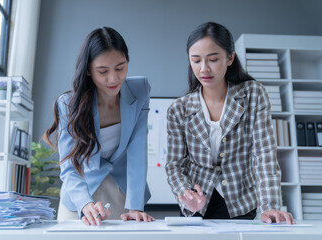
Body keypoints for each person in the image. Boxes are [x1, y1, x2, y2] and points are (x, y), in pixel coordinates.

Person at [165, 22, 295, 224]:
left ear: (230, 58)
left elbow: (264, 154)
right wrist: (186, 195)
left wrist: (270, 205)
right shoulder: (178, 109)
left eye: (213, 59)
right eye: (196, 60)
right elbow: (175, 166)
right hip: (197, 208)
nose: (204, 68)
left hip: (240, 203)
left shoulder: (253, 94)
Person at [43, 27, 154, 226]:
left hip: (124, 193)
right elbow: (69, 167)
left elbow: (138, 152)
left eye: (120, 68)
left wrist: (135, 206)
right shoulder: (68, 103)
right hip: (81, 194)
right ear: (87, 70)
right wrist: (85, 204)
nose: (114, 79)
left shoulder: (140, 90)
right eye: (103, 71)